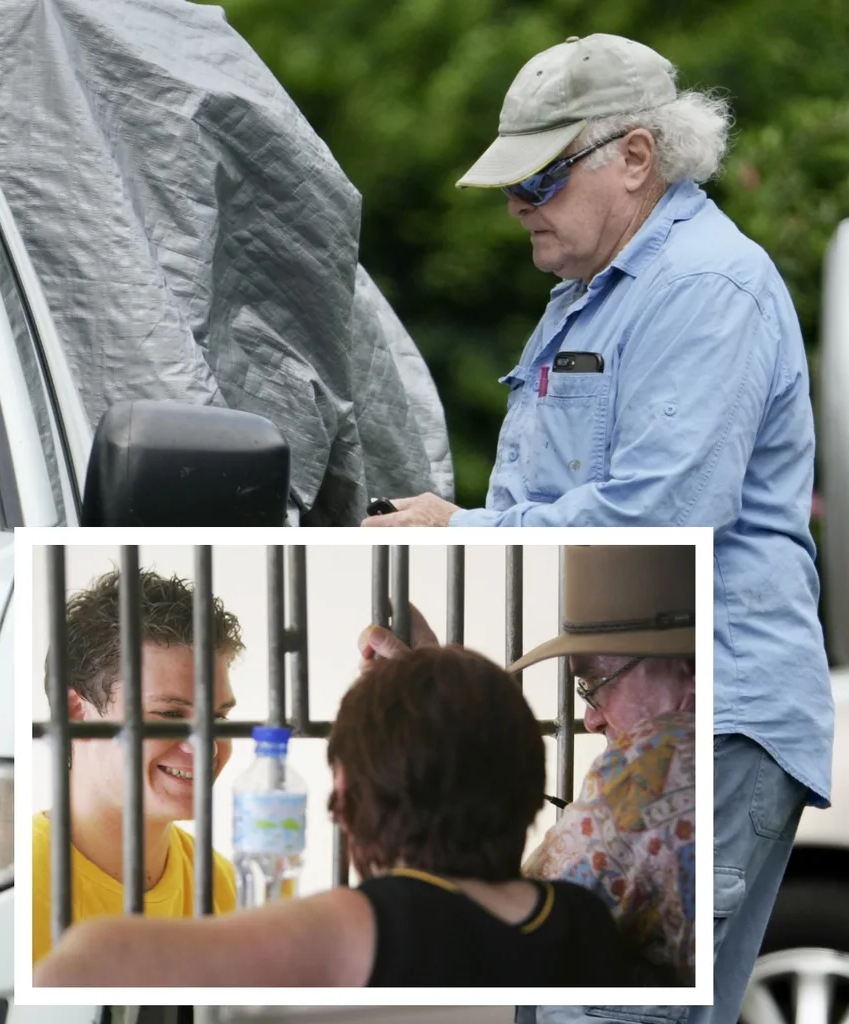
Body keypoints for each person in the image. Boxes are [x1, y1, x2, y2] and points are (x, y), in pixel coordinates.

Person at [357, 32, 834, 1024]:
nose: (515, 205)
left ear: (634, 156)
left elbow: (664, 516)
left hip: (713, 717)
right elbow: (568, 532)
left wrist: (463, 528)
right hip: (655, 717)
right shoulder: (596, 295)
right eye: (510, 183)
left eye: (538, 177)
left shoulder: (702, 290)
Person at [34, 644, 640, 988]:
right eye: (171, 713)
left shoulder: (370, 922)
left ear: (349, 790)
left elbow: (89, 959)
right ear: (529, 777)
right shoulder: (583, 920)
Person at [360, 544, 695, 986]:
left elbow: (502, 930)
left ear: (687, 670)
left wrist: (430, 733)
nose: (591, 718)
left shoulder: (655, 761)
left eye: (596, 683)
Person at [33, 569, 242, 967]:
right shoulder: (22, 886)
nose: (207, 745)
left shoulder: (226, 885)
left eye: (219, 717)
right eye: (168, 714)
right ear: (76, 713)